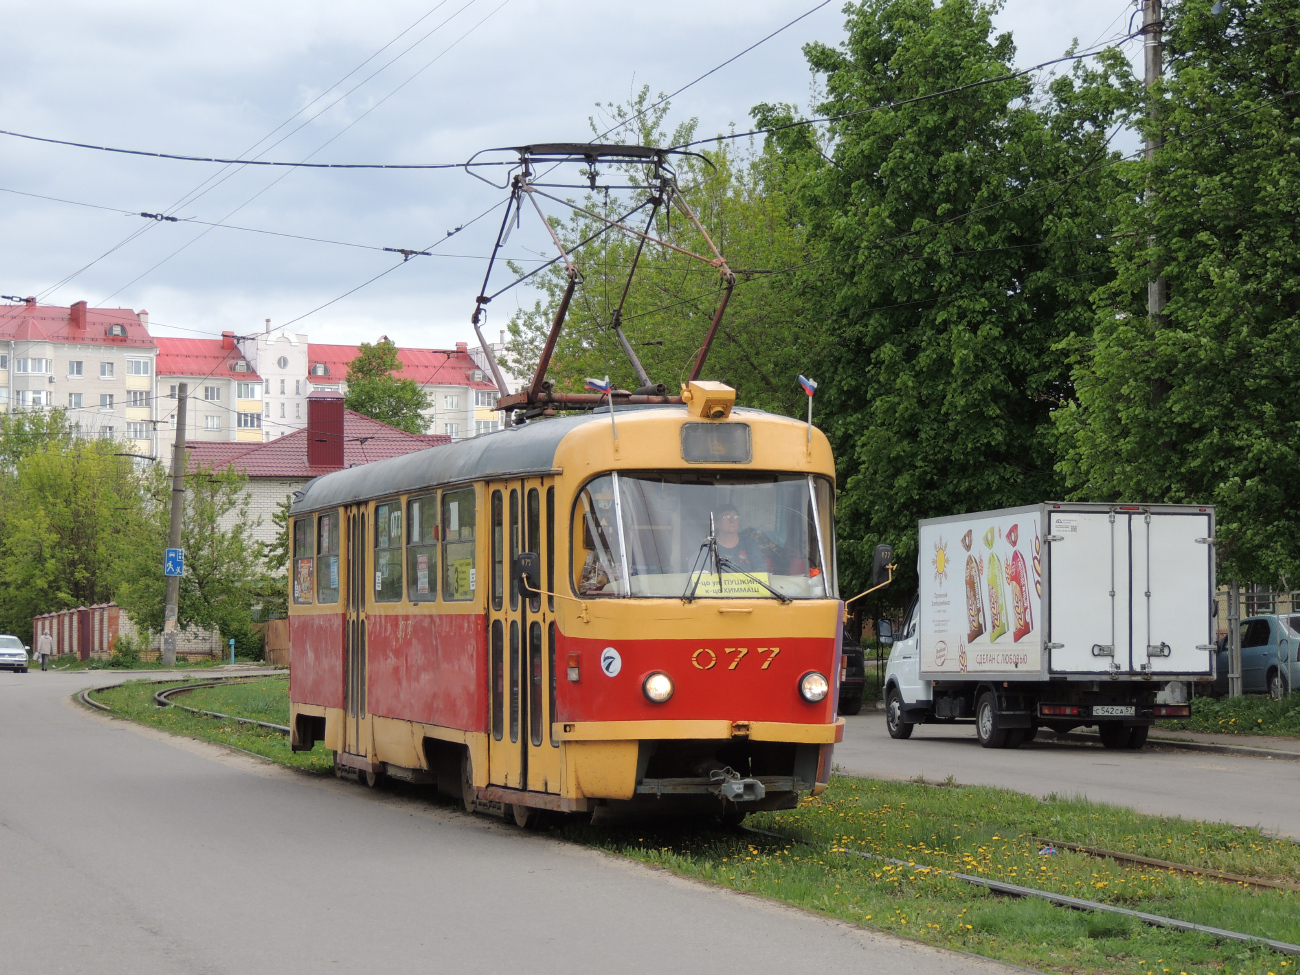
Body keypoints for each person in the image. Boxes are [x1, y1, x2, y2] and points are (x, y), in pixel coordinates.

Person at [712, 504, 771, 573]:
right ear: (716, 523)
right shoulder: (708, 547)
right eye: (726, 516)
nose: (732, 520)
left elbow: (760, 568)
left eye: (735, 516)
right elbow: (701, 574)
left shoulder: (749, 544)